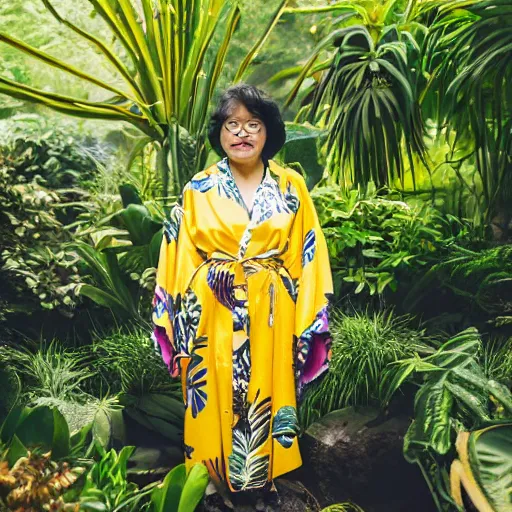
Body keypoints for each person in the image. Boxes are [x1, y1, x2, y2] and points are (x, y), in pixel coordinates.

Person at [151, 83, 333, 506]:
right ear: (220, 133)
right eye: (232, 124)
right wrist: (179, 324)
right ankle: (214, 484)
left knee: (267, 388)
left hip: (272, 310)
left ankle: (263, 481)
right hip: (212, 307)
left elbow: (309, 251)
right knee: (212, 387)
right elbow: (176, 254)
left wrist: (305, 317)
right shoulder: (199, 187)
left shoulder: (292, 187)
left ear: (268, 132)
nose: (242, 133)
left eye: (253, 124)